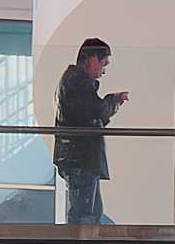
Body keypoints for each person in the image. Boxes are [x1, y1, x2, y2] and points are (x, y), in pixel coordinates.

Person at [54, 38, 128, 225]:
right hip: (80, 157)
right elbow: (95, 111)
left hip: (77, 157)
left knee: (88, 211)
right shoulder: (78, 82)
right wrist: (113, 101)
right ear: (93, 58)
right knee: (85, 213)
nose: (103, 71)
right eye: (103, 64)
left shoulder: (74, 81)